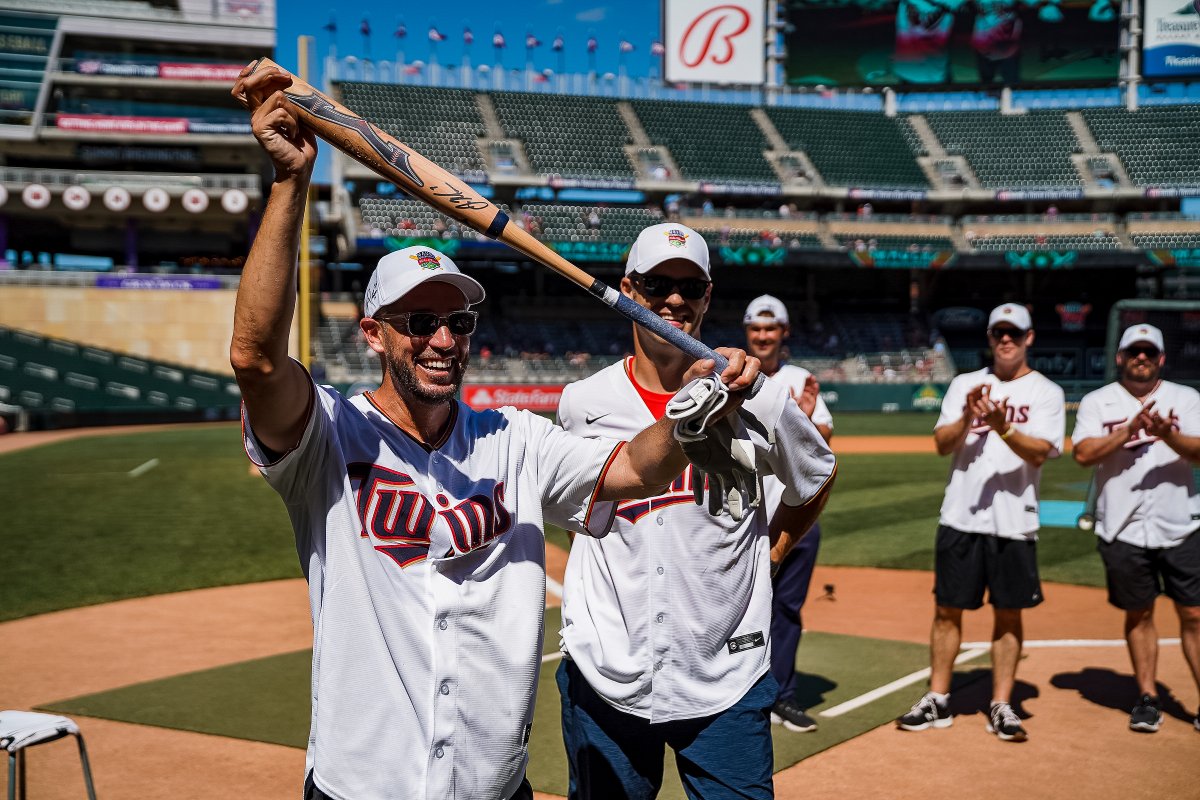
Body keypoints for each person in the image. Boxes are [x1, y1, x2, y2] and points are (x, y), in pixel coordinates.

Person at [230, 64, 765, 800]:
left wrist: (696, 402)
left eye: (458, 322)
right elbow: (256, 360)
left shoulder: (515, 440)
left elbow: (636, 470)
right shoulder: (328, 437)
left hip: (492, 786)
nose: (443, 339)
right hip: (363, 786)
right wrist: (291, 184)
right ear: (374, 336)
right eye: (420, 322)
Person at [555, 223, 838, 799]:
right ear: (630, 289)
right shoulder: (582, 404)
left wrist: (775, 553)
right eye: (658, 283)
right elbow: (576, 513)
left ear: (709, 295)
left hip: (724, 677)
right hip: (608, 670)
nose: (675, 300)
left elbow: (817, 475)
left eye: (691, 286)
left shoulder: (762, 397)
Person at [897, 302, 1064, 742]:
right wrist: (970, 416)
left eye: (1014, 333)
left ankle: (1002, 702)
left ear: (1029, 338)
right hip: (961, 515)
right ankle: (938, 698)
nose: (1005, 340)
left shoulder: (1046, 392)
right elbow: (941, 443)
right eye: (997, 333)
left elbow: (1041, 451)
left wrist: (1002, 426)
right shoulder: (965, 384)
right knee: (947, 609)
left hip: (1014, 520)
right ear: (989, 338)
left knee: (1008, 612)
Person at [1072, 324, 1200, 733]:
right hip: (1122, 526)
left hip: (1180, 523)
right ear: (1120, 357)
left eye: (1148, 352)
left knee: (1194, 614)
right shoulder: (1098, 402)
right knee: (1139, 612)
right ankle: (1147, 697)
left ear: (1161, 358)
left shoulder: (1186, 398)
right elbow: (1082, 453)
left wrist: (1166, 433)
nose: (1140, 358)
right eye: (1133, 351)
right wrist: (1129, 430)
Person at [742, 295, 834, 734]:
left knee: (787, 609)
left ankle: (783, 696)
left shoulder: (800, 379)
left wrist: (805, 420)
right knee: (734, 606)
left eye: (771, 329)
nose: (763, 337)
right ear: (748, 332)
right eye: (756, 329)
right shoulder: (731, 371)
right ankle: (735, 694)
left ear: (784, 333)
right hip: (740, 517)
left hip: (794, 515)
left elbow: (824, 446)